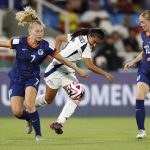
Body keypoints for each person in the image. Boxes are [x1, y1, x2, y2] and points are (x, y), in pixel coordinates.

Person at [0, 6, 88, 141]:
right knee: (17, 112)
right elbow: (4, 43)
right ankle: (29, 119)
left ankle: (39, 135)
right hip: (17, 77)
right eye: (37, 31)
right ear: (30, 31)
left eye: (42, 31)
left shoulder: (45, 46)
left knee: (30, 105)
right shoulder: (20, 42)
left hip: (32, 77)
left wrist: (78, 70)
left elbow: (61, 58)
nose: (40, 33)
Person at [35, 28, 114, 134]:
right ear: (90, 36)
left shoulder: (76, 36)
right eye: (94, 42)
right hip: (55, 70)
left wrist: (57, 53)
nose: (94, 45)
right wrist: (105, 74)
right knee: (48, 100)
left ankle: (59, 122)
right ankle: (30, 105)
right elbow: (89, 65)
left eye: (97, 44)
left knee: (78, 93)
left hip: (67, 71)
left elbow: (58, 38)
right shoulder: (85, 45)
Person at [124, 10, 150, 139]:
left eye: (143, 22)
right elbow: (144, 52)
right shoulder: (144, 35)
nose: (141, 25)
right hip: (145, 71)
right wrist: (133, 61)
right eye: (140, 22)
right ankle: (141, 130)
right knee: (139, 97)